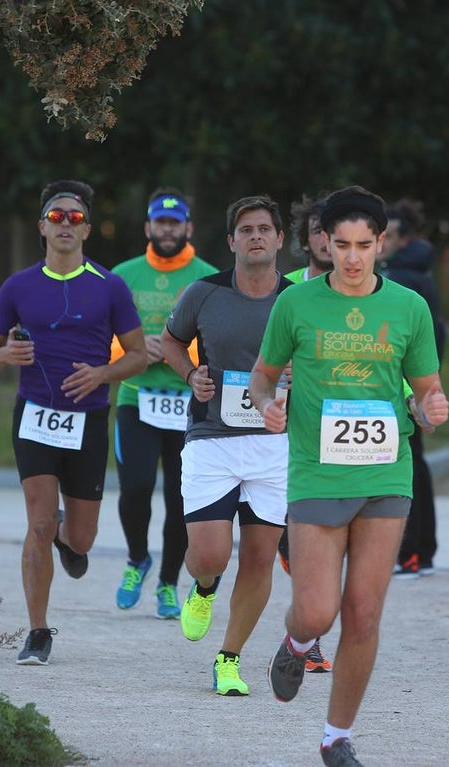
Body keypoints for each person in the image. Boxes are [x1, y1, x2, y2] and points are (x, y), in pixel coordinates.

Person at [250, 185, 449, 766]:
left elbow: (426, 392)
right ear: (324, 244)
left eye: (365, 244)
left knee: (363, 613)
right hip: (317, 473)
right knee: (317, 612)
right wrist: (267, 404)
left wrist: (430, 410)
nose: (354, 257)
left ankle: (336, 736)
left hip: (387, 472)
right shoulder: (297, 304)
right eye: (343, 245)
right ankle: (295, 641)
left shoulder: (408, 308)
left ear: (382, 243)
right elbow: (263, 377)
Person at [0, 180, 147, 666]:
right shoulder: (19, 286)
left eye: (75, 218)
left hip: (88, 419)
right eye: (57, 217)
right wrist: (5, 354)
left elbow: (137, 356)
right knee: (38, 521)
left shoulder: (109, 285)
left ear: (88, 229)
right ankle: (37, 631)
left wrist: (102, 373)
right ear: (42, 227)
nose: (66, 224)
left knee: (82, 537)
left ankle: (65, 536)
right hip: (34, 415)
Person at [160, 194, 291, 697]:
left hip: (275, 443)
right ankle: (205, 587)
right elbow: (171, 340)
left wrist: (302, 375)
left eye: (265, 228)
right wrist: (191, 373)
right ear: (231, 241)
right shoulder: (204, 292)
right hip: (212, 439)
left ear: (280, 239)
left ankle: (229, 659)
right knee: (211, 555)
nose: (256, 236)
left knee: (259, 558)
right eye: (246, 229)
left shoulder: (298, 300)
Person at [111, 188, 216, 619]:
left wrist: (177, 354)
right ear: (148, 227)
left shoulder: (209, 278)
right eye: (160, 222)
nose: (167, 230)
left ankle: (170, 582)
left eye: (175, 223)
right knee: (135, 487)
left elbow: (220, 346)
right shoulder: (122, 276)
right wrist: (135, 352)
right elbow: (101, 344)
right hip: (137, 398)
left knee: (180, 499)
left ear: (188, 227)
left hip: (188, 405)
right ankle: (138, 558)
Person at [277, 192, 334, 674]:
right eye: (316, 229)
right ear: (305, 237)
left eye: (330, 230)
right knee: (285, 541)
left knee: (320, 543)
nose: (324, 238)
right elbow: (253, 356)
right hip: (276, 434)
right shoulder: (284, 290)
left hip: (333, 438)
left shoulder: (375, 294)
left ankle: (307, 637)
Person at [380, 199, 445, 578]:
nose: (379, 242)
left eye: (387, 235)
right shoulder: (417, 272)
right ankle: (421, 552)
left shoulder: (402, 281)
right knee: (417, 464)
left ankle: (412, 553)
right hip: (418, 382)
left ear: (402, 240)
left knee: (409, 468)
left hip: (406, 386)